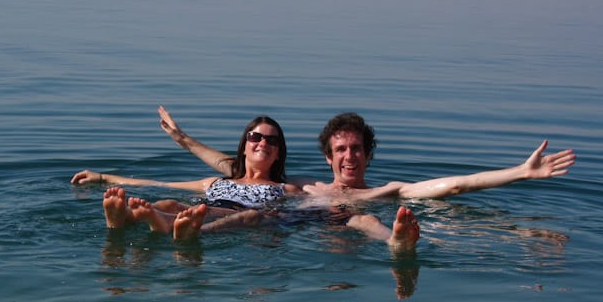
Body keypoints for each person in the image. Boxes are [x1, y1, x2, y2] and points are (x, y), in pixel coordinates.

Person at [71, 114, 420, 250]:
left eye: (271, 141)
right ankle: (127, 220)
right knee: (166, 204)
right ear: (245, 144)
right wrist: (103, 177)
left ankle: (170, 228)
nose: (262, 143)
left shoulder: (288, 188)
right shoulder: (216, 180)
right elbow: (160, 184)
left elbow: (331, 201)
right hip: (204, 209)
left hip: (242, 217)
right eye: (256, 137)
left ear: (279, 153)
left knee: (249, 217)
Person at [157, 106, 576, 204]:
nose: (349, 156)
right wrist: (184, 140)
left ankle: (397, 246)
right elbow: (232, 170)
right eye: (340, 150)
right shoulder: (305, 187)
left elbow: (456, 184)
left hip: (351, 227)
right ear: (328, 157)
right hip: (300, 231)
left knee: (359, 221)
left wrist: (521, 172)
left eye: (356, 149)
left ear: (368, 155)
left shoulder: (388, 191)